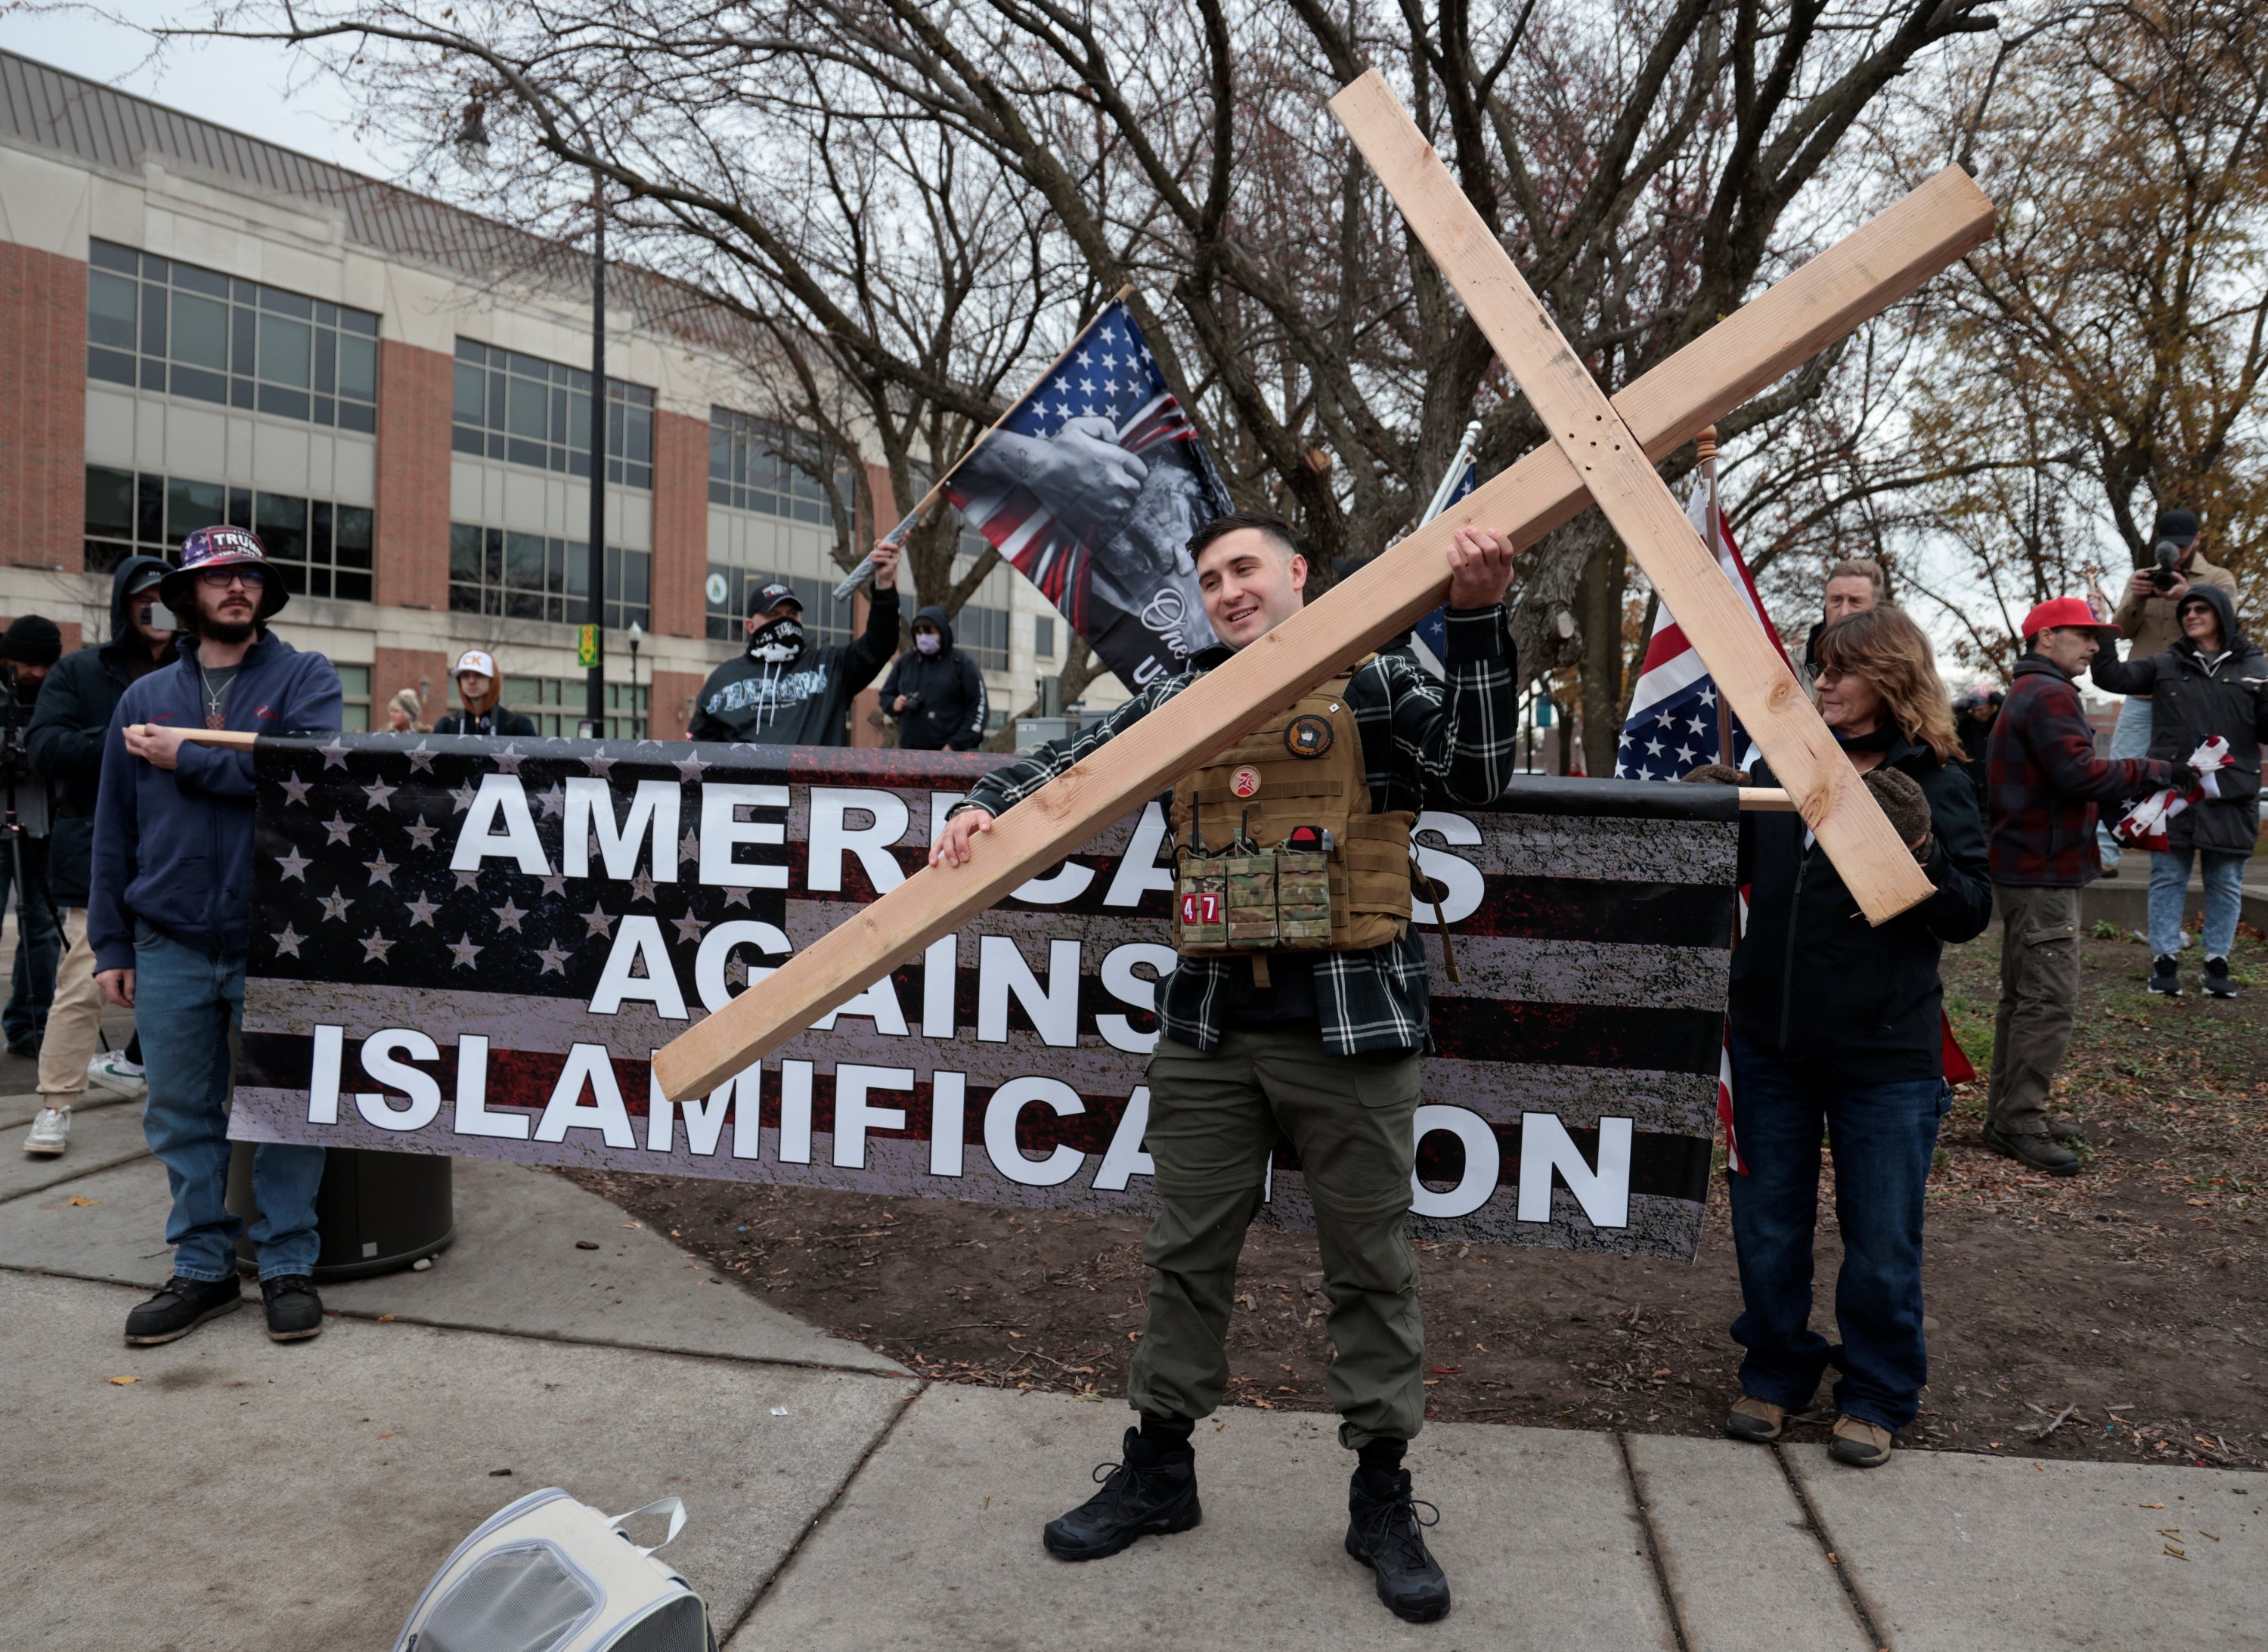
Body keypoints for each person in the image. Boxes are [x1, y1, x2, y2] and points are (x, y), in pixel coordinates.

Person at [932, 510, 1520, 1623]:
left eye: (1245, 568)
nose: (1229, 591)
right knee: (1184, 1256)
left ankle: (1381, 1497)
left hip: (1353, 1031)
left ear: (1299, 574)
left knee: (1371, 1269)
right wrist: (983, 803)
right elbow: (1076, 758)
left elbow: (1484, 775)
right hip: (1210, 1030)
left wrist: (1480, 618)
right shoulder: (1185, 696)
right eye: (1211, 579)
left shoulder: (1382, 680)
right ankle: (1159, 1472)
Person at [1696, 606, 1990, 1469]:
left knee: (1882, 1236)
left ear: (1891, 678)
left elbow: (1972, 912)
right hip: (1768, 1046)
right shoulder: (1782, 766)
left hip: (1886, 1059)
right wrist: (1712, 815)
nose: (1820, 681)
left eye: (1839, 669)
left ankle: (1877, 1392)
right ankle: (1777, 1372)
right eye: (1817, 666)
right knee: (1768, 1226)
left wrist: (1918, 855)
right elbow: (1735, 874)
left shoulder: (1936, 780)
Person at [91, 526, 342, 1345]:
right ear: (186, 597)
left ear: (265, 593)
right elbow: (113, 829)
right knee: (179, 1113)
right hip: (166, 939)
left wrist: (189, 757)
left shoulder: (305, 677)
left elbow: (305, 779)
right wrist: (111, 945)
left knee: (285, 1111)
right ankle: (201, 1269)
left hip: (279, 938)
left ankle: (285, 1266)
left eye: (248, 576)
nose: (235, 587)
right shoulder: (142, 700)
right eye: (217, 577)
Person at [1982, 598, 2174, 1174]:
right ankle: (2020, 1120)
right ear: (2047, 637)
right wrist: (2156, 769)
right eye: (2084, 636)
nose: (2095, 647)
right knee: (2050, 1001)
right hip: (2043, 872)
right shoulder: (2050, 694)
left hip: (2025, 867)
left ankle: (2008, 1112)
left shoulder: (2029, 691)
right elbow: (2080, 774)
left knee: (2021, 999)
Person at [18, 559, 172, 1158]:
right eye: (146, 598)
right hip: (100, 852)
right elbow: (44, 747)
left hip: (186, 854)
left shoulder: (202, 672)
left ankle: (175, 1094)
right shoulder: (80, 671)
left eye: (169, 597)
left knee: (189, 984)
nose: (158, 608)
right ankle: (55, 1102)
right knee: (85, 980)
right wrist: (120, 734)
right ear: (125, 606)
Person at [2093, 584, 2268, 998]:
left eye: (2200, 608)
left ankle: (2217, 962)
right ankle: (2164, 960)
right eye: (2186, 609)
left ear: (2222, 614)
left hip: (2232, 793)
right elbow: (2111, 676)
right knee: (2167, 878)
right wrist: (2103, 629)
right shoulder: (2166, 664)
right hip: (2174, 792)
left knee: (2225, 881)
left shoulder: (2256, 664)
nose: (2190, 614)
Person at [2096, 508, 2238, 873]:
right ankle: (2103, 856)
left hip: (2192, 694)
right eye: (2168, 545)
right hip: (2143, 692)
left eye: (2181, 545)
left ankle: (2190, 847)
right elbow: (2121, 629)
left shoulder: (2218, 578)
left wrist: (2188, 595)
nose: (2175, 552)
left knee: (2195, 773)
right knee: (2118, 769)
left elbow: (2227, 627)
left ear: (2196, 541)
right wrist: (2137, 597)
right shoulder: (2142, 577)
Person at [688, 546, 901, 745]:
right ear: (751, 626)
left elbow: (880, 644)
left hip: (813, 784)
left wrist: (884, 584)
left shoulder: (831, 667)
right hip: (749, 786)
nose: (785, 622)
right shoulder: (724, 678)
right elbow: (697, 751)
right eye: (774, 615)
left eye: (792, 614)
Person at [0, 614, 64, 1058]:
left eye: (45, 665)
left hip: (43, 824)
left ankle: (30, 1024)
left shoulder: (58, 692)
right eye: (30, 664)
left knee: (42, 930)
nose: (37, 674)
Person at [878, 604, 988, 752]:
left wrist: (954, 746)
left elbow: (978, 709)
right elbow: (885, 695)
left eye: (929, 631)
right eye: (918, 631)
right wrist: (893, 704)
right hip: (909, 754)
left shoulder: (961, 664)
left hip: (950, 757)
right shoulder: (906, 662)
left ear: (942, 631)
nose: (923, 636)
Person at [1797, 558, 1885, 688]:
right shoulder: (1790, 666)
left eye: (1855, 601)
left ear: (1877, 609)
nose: (1844, 612)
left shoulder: (1902, 671)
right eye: (1836, 600)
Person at [432, 650, 534, 737]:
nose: (471, 681)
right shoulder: (446, 726)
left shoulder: (517, 725)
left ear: (492, 680)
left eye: (479, 675)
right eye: (465, 675)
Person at [1953, 683, 2001, 811]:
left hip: (1995, 789)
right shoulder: (1966, 724)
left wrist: (1996, 696)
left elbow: (2010, 709)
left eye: (1981, 709)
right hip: (1973, 788)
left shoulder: (1999, 721)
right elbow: (1950, 723)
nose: (1977, 713)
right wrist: (1957, 708)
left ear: (1991, 706)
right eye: (1974, 710)